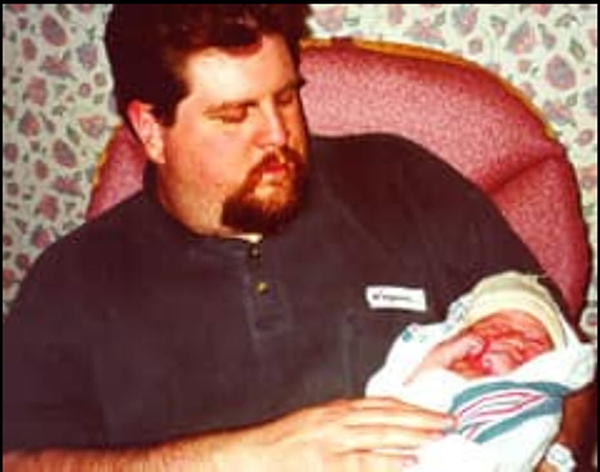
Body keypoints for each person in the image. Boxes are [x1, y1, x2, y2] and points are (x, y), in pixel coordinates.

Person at [2, 5, 593, 471]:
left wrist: (547, 458)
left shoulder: (400, 179)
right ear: (151, 130)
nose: (279, 136)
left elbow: (565, 354)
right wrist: (245, 459)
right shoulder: (75, 281)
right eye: (235, 116)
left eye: (285, 97)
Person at [366, 271, 597, 471]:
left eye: (534, 340)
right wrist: (439, 360)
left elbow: (518, 448)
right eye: (496, 328)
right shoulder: (441, 364)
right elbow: (395, 397)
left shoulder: (537, 401)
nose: (513, 340)